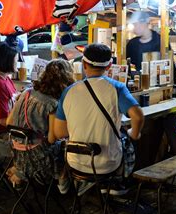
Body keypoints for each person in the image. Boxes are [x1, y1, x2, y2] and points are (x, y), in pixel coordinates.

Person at [54, 43, 144, 194]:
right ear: (109, 65)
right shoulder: (117, 88)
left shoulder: (68, 91)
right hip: (108, 164)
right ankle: (117, 183)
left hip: (75, 163)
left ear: (83, 64)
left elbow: (59, 132)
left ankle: (71, 184)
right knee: (127, 140)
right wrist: (134, 134)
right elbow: (138, 116)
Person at [6, 59, 75, 187]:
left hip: (17, 154)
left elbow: (9, 122)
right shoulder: (53, 104)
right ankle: (63, 180)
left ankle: (19, 173)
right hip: (38, 158)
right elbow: (51, 139)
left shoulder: (26, 93)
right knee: (66, 145)